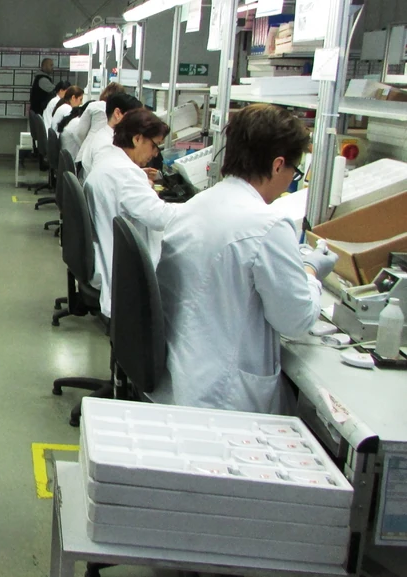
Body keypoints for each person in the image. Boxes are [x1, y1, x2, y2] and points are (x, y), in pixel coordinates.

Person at [152, 104, 337, 414]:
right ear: (278, 165)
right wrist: (311, 272)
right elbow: (295, 321)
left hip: (182, 374)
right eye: (294, 171)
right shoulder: (267, 225)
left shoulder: (198, 204)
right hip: (221, 397)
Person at [85, 108, 177, 319]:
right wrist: (198, 207)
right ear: (137, 139)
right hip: (125, 269)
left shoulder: (112, 163)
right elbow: (161, 217)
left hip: (111, 255)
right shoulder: (126, 173)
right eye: (154, 145)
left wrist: (140, 181)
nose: (155, 154)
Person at [77, 93, 144, 178]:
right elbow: (106, 179)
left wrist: (137, 172)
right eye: (136, 118)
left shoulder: (103, 135)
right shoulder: (108, 146)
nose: (139, 124)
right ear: (117, 114)